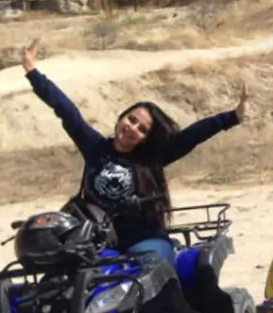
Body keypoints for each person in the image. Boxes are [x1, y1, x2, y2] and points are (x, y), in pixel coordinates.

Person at [21, 39, 249, 265]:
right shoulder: (95, 147)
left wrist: (232, 117)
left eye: (142, 129)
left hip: (143, 238)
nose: (132, 128)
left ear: (145, 139)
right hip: (97, 238)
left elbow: (192, 135)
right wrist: (33, 73)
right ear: (122, 117)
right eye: (131, 119)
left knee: (152, 269)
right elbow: (67, 110)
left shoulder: (150, 159)